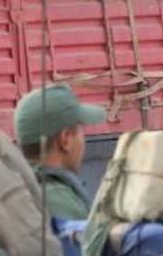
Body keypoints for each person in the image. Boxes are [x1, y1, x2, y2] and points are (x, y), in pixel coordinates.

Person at [13, 84, 105, 220]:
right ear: (66, 139)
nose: (82, 140)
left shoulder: (13, 190)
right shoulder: (60, 203)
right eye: (81, 131)